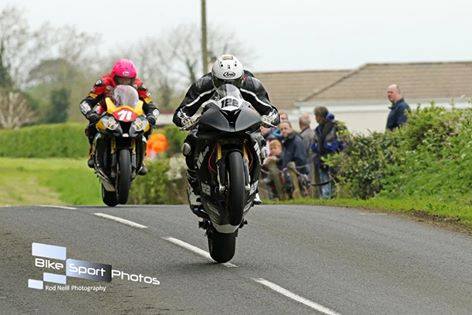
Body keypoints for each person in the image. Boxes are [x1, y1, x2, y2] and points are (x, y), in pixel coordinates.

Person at [173, 54, 279, 208]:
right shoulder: (203, 84)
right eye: (222, 82)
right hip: (214, 122)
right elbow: (182, 110)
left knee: (259, 139)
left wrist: (269, 118)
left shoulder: (252, 85)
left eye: (234, 81)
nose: (229, 85)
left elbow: (270, 109)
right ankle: (194, 184)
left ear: (241, 77)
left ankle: (254, 182)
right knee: (191, 140)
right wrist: (186, 119)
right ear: (214, 78)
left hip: (242, 120)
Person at [79, 59, 159, 173]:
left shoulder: (139, 85)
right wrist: (90, 114)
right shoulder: (103, 83)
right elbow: (86, 102)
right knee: (92, 123)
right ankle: (93, 152)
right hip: (107, 112)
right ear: (114, 77)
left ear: (133, 78)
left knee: (147, 125)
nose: (124, 82)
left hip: (132, 114)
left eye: (128, 79)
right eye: (121, 79)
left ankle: (141, 158)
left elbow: (151, 105)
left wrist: (151, 116)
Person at [311, 106, 344, 198]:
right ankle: (326, 197)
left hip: (334, 158)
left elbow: (343, 142)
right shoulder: (318, 129)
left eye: (316, 116)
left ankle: (333, 197)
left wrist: (335, 149)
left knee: (334, 179)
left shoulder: (336, 127)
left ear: (321, 116)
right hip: (321, 158)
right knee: (323, 179)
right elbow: (314, 144)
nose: (315, 118)